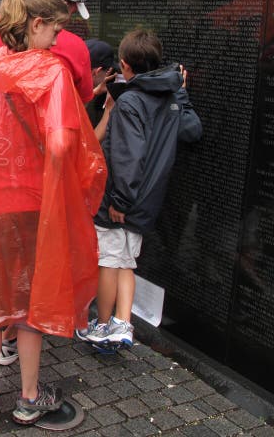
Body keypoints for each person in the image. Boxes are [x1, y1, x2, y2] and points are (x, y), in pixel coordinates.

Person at [0, 0, 106, 424]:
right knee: (33, 300)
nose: (56, 39)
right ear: (35, 25)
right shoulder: (52, 74)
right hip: (37, 206)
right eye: (55, 28)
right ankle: (30, 396)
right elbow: (61, 142)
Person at [76, 29, 202, 349]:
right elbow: (192, 130)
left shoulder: (130, 100)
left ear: (124, 64)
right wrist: (182, 93)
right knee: (127, 263)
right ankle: (123, 322)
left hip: (122, 200)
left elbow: (128, 157)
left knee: (109, 262)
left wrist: (119, 199)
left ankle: (104, 324)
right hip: (148, 200)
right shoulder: (170, 96)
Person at [32, 0, 94, 103]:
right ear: (64, 6)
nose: (54, 42)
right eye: (73, 11)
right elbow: (81, 102)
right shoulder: (75, 46)